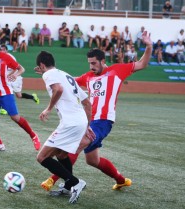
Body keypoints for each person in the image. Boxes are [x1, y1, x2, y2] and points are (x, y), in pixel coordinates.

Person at [40, 31, 153, 194]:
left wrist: (148, 45)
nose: (91, 66)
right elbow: (69, 79)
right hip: (88, 120)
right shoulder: (88, 76)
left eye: (93, 63)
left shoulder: (117, 70)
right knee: (93, 160)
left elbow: (142, 64)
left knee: (76, 145)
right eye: (89, 63)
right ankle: (121, 180)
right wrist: (49, 74)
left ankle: (58, 180)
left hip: (103, 121)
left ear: (103, 61)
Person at [34, 50, 94, 204]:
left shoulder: (48, 75)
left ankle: (75, 182)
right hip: (79, 121)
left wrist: (48, 108)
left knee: (42, 157)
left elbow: (58, 89)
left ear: (41, 65)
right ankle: (68, 187)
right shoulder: (66, 75)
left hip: (70, 122)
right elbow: (87, 103)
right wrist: (86, 126)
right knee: (61, 155)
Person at [0, 44, 40, 115]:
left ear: (6, 50)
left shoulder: (10, 57)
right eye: (0, 50)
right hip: (8, 78)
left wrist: (9, 75)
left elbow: (15, 68)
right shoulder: (0, 58)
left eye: (3, 50)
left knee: (19, 95)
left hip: (15, 77)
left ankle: (33, 97)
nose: (2, 51)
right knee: (5, 91)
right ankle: (4, 109)